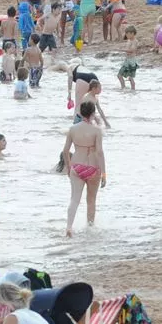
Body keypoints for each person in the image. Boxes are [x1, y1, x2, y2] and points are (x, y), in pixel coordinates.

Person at [61, 100, 107, 237]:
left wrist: (69, 167)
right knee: (91, 200)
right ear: (93, 113)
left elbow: (65, 151)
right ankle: (90, 229)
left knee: (74, 199)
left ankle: (69, 227)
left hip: (76, 166)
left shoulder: (73, 129)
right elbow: (99, 152)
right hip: (93, 168)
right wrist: (104, 173)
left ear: (80, 113)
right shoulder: (96, 131)